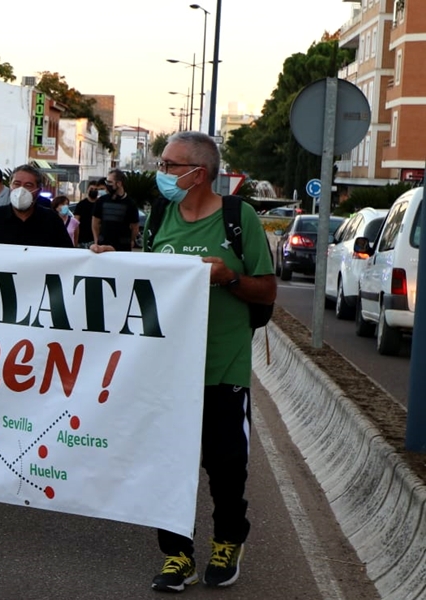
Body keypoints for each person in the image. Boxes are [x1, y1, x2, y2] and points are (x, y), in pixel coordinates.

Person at [90, 132, 275, 592]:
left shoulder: (239, 218)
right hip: (168, 372)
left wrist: (229, 276)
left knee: (226, 465)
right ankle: (176, 555)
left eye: (170, 165)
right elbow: (153, 283)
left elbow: (267, 291)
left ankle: (228, 541)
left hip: (222, 366)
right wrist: (119, 263)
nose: (162, 173)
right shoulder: (160, 217)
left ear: (199, 172)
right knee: (166, 464)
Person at [0, 165, 74, 248]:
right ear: (10, 187)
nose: (21, 190)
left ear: (38, 191)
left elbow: (68, 256)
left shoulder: (52, 221)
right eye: (17, 184)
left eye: (28, 185)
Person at [92, 169, 140, 251]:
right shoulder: (101, 201)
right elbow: (95, 224)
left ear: (119, 183)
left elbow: (135, 228)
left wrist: (130, 240)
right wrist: (96, 241)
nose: (107, 185)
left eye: (110, 182)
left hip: (122, 249)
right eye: (107, 182)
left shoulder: (130, 204)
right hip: (103, 247)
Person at [74, 180, 101, 248]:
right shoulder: (81, 205)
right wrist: (76, 241)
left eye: (95, 189)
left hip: (96, 241)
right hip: (82, 241)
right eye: (91, 189)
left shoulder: (100, 204)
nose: (93, 191)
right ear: (87, 190)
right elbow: (76, 223)